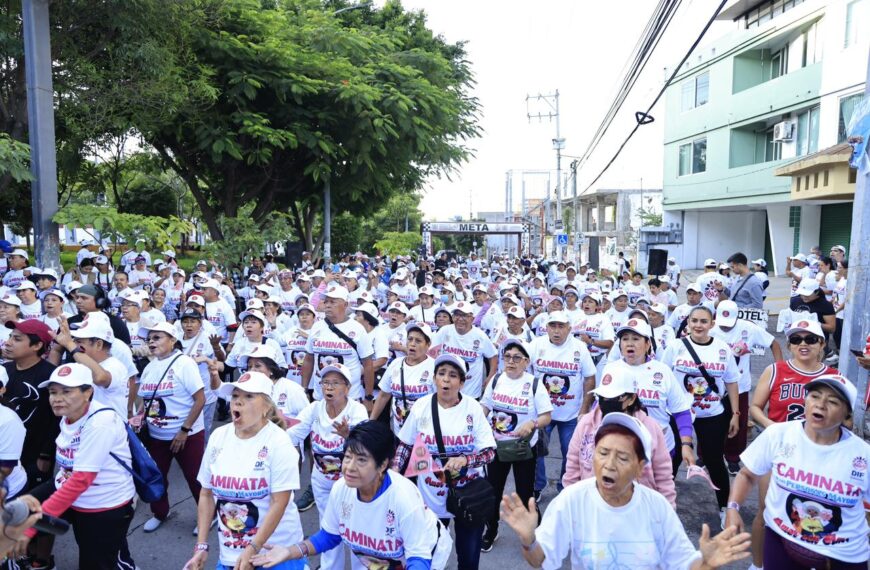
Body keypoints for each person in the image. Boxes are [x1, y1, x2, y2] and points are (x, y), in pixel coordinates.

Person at [501, 412, 751, 569]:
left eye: (622, 457)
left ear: (640, 467)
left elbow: (685, 565)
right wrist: (529, 540)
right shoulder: (572, 499)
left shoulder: (657, 507)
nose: (609, 464)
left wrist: (707, 563)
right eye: (602, 453)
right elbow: (540, 561)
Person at [250, 421, 452, 569]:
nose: (349, 467)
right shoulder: (341, 489)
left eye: (362, 460)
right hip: (376, 561)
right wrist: (290, 551)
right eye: (347, 457)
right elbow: (329, 536)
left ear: (382, 465)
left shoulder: (403, 497)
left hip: (422, 558)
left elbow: (418, 558)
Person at [726, 374, 869, 569]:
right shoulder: (778, 434)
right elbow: (747, 475)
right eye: (815, 396)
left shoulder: (863, 455)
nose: (820, 405)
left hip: (842, 554)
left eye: (833, 401)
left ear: (847, 415)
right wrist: (733, 508)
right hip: (781, 541)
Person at [184, 371, 304, 570]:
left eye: (249, 396)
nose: (238, 402)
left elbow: (279, 502)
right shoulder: (218, 437)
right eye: (235, 396)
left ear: (267, 407)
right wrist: (202, 545)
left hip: (275, 554)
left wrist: (253, 549)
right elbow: (206, 494)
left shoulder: (279, 442)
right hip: (232, 554)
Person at [27, 363, 136, 569]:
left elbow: (81, 479)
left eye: (66, 391)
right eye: (53, 392)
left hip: (102, 505)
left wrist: (33, 525)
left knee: (96, 562)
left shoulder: (100, 422)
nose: (57, 398)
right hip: (74, 494)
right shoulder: (70, 415)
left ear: (88, 393)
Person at [392, 353, 496, 569]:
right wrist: (393, 475)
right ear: (434, 378)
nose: (446, 380)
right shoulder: (421, 406)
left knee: (468, 558)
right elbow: (405, 446)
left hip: (468, 497)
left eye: (452, 375)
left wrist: (466, 459)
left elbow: (489, 453)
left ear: (462, 382)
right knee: (430, 556)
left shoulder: (472, 409)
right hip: (431, 497)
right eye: (441, 374)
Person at [661, 306, 740, 527]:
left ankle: (725, 508)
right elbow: (663, 377)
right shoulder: (676, 347)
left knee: (715, 461)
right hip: (678, 413)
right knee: (672, 459)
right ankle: (663, 506)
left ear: (712, 324)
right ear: (687, 322)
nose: (698, 325)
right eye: (694, 320)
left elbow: (732, 381)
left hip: (712, 413)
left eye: (703, 321)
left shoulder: (722, 349)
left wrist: (735, 413)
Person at [287, 363, 368, 570]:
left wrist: (349, 436)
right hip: (322, 482)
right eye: (325, 383)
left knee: (357, 530)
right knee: (329, 528)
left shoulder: (357, 410)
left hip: (352, 485)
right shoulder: (314, 409)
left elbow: (367, 447)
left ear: (347, 388)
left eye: (335, 383)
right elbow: (293, 433)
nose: (329, 388)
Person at [563, 363, 676, 507]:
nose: (606, 402)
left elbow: (663, 475)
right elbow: (572, 467)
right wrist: (570, 504)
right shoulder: (586, 424)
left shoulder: (650, 428)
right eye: (602, 396)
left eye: (614, 397)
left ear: (631, 398)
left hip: (638, 510)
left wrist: (667, 512)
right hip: (592, 507)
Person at [480, 340, 552, 552]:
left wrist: (533, 423)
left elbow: (547, 415)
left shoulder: (534, 384)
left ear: (526, 362)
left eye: (516, 358)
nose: (511, 361)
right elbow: (485, 406)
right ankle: (491, 530)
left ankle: (531, 533)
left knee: (524, 494)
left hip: (523, 449)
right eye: (507, 356)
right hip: (496, 448)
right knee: (493, 492)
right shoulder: (496, 380)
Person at [135, 321, 206, 533]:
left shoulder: (184, 363)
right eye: (149, 338)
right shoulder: (149, 367)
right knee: (157, 477)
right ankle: (160, 512)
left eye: (157, 337)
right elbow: (145, 400)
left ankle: (206, 516)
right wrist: (139, 416)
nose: (151, 342)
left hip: (187, 434)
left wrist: (184, 430)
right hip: (157, 436)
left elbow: (200, 399)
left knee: (195, 479)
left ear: (172, 340)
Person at [527, 311, 596, 498]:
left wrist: (584, 409)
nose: (556, 331)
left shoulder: (580, 348)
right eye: (553, 326)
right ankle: (537, 486)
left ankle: (565, 487)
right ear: (546, 328)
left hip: (571, 414)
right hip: (542, 413)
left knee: (571, 453)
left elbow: (590, 378)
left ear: (569, 328)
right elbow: (527, 373)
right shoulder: (535, 345)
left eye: (561, 326)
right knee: (536, 451)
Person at [710, 300, 783, 475]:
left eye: (730, 324)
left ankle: (733, 457)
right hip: (714, 386)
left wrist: (780, 369)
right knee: (712, 421)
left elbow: (773, 343)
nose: (726, 327)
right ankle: (707, 455)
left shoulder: (748, 328)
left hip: (740, 385)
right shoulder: (710, 329)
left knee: (739, 423)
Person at [370, 322, 435, 436]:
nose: (412, 344)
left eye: (418, 341)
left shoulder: (434, 367)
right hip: (398, 430)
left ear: (428, 344)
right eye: (410, 339)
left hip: (425, 433)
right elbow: (383, 395)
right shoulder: (395, 364)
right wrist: (371, 422)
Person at [431, 301, 498, 399]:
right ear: (453, 317)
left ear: (472, 318)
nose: (460, 319)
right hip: (447, 388)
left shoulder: (480, 336)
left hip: (471, 390)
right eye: (457, 315)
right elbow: (432, 353)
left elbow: (493, 356)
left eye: (464, 316)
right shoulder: (444, 331)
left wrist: (490, 377)